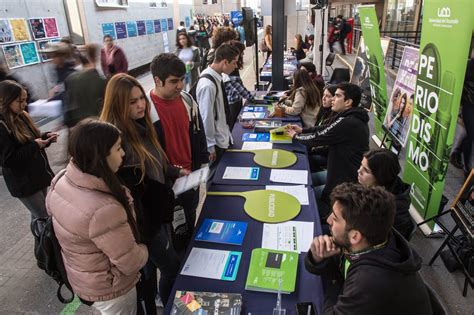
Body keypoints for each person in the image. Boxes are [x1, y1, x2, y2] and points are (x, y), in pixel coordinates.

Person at [100, 74, 187, 308]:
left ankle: (154, 299)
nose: (140, 105)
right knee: (171, 266)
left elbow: (156, 161)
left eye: (141, 98)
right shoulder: (115, 140)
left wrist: (175, 172)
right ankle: (168, 304)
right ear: (117, 104)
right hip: (145, 223)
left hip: (158, 211)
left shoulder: (142, 125)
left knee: (150, 269)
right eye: (131, 101)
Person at [46, 120, 148, 314]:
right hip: (112, 289)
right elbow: (130, 262)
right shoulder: (104, 210)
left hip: (83, 279)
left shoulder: (61, 180)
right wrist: (144, 250)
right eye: (118, 148)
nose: (123, 154)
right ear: (100, 156)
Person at [305, 183, 432, 314]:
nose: (328, 220)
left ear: (355, 236)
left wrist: (333, 283)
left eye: (335, 219)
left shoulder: (368, 281)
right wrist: (317, 257)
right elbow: (328, 266)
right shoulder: (368, 239)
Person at [149, 53, 209, 251]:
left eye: (182, 80)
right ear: (157, 80)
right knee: (172, 240)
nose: (180, 86)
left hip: (189, 180)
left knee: (189, 229)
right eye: (174, 81)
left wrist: (201, 166)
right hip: (165, 188)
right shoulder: (146, 111)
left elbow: (198, 136)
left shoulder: (187, 100)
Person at [286, 83, 369, 217]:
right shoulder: (345, 116)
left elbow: (319, 137)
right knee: (304, 181)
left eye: (337, 96)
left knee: (300, 204)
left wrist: (296, 136)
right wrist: (303, 130)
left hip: (342, 184)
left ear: (348, 102)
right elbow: (325, 128)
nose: (332, 99)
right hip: (336, 174)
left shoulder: (350, 122)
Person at [0, 80, 57, 226]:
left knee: (40, 218)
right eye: (21, 101)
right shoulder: (2, 126)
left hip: (37, 176)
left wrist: (46, 138)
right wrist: (35, 145)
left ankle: (42, 248)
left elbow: (31, 140)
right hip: (24, 184)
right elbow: (8, 159)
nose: (25, 104)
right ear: (7, 100)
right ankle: (47, 248)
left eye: (25, 100)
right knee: (46, 219)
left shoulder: (22, 115)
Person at [196, 44, 239, 164]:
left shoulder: (219, 77)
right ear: (225, 62)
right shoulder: (208, 85)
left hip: (223, 136)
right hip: (216, 143)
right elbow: (206, 117)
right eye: (234, 63)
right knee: (214, 177)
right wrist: (210, 146)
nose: (235, 67)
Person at [358, 149, 413, 239]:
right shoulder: (377, 188)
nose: (359, 171)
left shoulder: (387, 209)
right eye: (361, 165)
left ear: (380, 176)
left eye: (366, 171)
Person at [63, 44, 106, 128]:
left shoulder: (70, 79)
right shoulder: (101, 81)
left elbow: (69, 110)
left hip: (80, 128)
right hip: (100, 126)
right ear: (95, 58)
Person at [450, 58, 473, 179]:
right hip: (469, 103)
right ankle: (467, 169)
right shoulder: (470, 65)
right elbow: (460, 83)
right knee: (471, 133)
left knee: (470, 133)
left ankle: (457, 152)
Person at [223, 40, 254, 127]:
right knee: (233, 124)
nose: (243, 54)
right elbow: (237, 86)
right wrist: (251, 97)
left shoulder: (233, 67)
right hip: (232, 104)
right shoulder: (230, 71)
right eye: (242, 52)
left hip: (235, 101)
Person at [309, 85, 338, 172]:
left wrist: (313, 149)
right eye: (323, 95)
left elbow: (327, 145)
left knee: (307, 157)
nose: (323, 98)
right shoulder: (323, 111)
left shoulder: (335, 117)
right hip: (318, 147)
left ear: (334, 99)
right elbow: (317, 130)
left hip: (326, 155)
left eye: (328, 96)